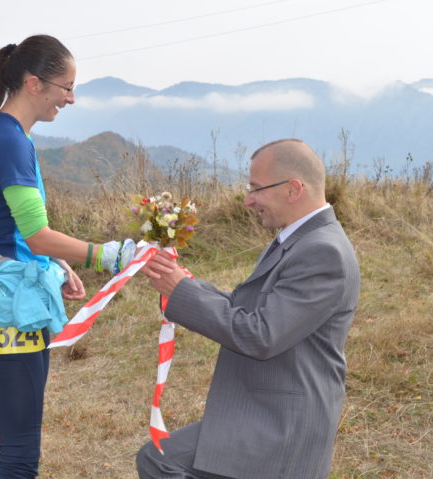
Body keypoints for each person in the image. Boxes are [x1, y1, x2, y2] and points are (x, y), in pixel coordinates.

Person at [0, 34, 135, 478]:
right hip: (5, 305)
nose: (71, 98)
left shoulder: (7, 135)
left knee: (20, 440)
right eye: (66, 87)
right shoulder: (10, 142)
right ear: (35, 84)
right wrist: (105, 255)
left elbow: (12, 232)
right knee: (19, 448)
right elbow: (36, 234)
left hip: (10, 296)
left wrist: (54, 265)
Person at [137, 138, 361, 479]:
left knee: (160, 460)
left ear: (293, 189)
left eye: (256, 188)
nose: (247, 200)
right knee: (158, 457)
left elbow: (261, 335)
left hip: (282, 424)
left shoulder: (322, 251)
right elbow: (249, 308)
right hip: (266, 409)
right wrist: (180, 287)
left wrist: (181, 292)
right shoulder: (298, 239)